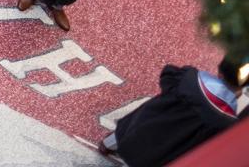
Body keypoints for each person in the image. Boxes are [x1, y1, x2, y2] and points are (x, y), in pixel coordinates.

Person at [100, 60, 245, 166]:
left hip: (147, 121)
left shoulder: (188, 78)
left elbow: (166, 77)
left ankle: (107, 145)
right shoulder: (226, 121)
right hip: (165, 149)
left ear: (220, 71)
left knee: (127, 131)